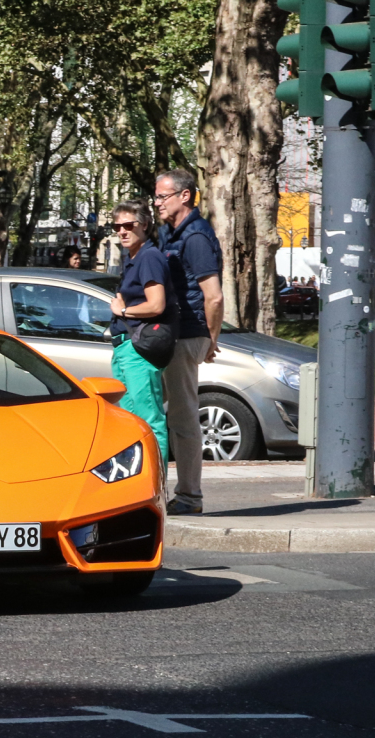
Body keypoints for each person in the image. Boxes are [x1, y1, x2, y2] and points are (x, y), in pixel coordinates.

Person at [153, 168, 223, 516]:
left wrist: (210, 338)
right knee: (150, 413)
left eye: (162, 196)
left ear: (185, 196)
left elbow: (214, 296)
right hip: (175, 334)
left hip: (186, 336)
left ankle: (190, 497)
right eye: (155, 197)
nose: (157, 203)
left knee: (182, 419)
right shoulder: (172, 233)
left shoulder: (194, 236)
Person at [109, 199, 176, 468]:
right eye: (117, 226)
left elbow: (156, 304)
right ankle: (136, 483)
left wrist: (124, 312)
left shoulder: (149, 257)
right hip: (126, 347)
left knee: (148, 419)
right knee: (130, 420)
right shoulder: (133, 258)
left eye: (129, 225)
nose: (122, 231)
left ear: (145, 225)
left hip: (138, 349)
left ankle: (156, 484)